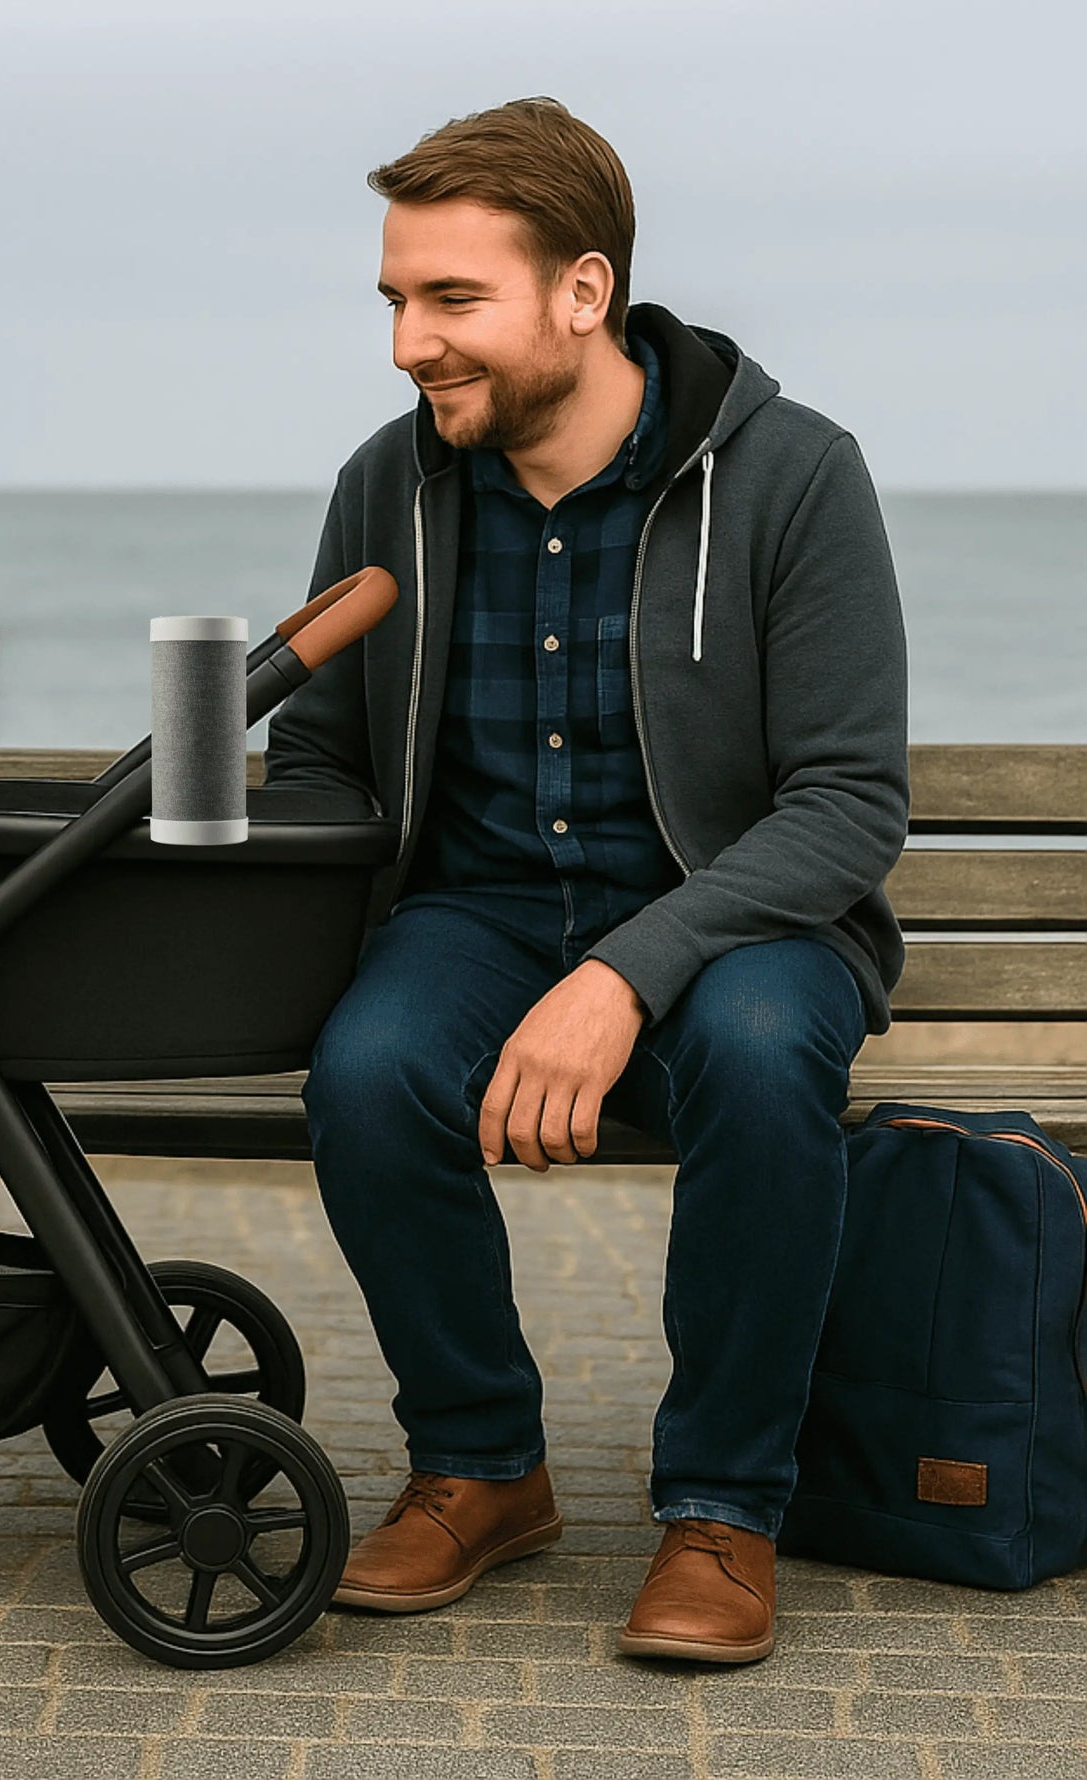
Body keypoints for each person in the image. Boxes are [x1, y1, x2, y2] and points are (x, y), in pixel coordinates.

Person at [262, 96, 910, 1664]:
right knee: (368, 1070)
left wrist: (623, 974)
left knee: (763, 1055)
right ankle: (483, 1466)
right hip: (478, 911)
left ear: (583, 290)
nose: (409, 344)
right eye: (395, 301)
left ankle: (725, 1510)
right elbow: (327, 758)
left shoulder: (796, 475)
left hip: (741, 911)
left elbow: (847, 804)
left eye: (451, 300)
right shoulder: (388, 484)